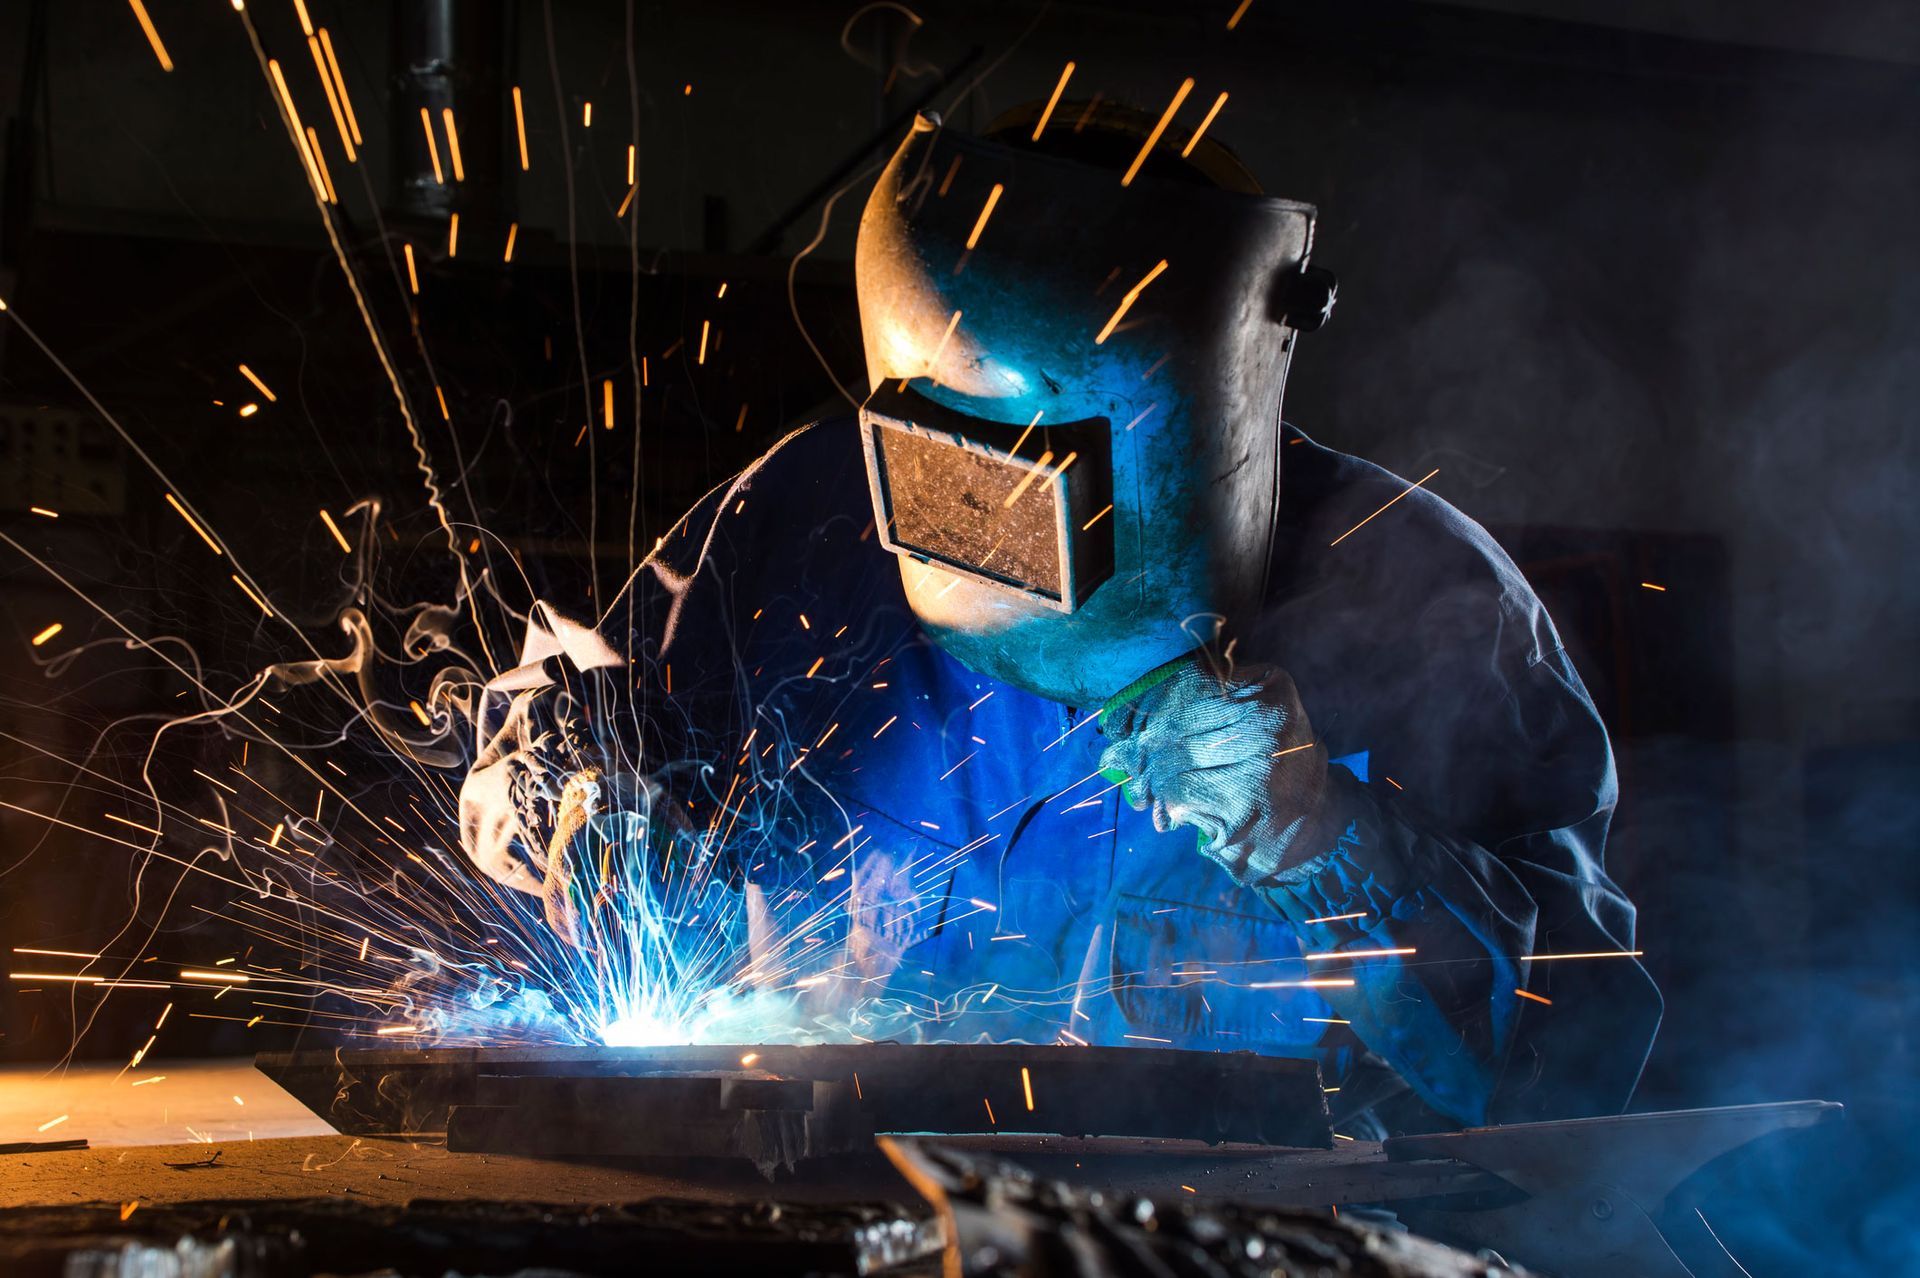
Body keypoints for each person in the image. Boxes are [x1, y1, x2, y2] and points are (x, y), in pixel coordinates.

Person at [458, 105, 1661, 1135]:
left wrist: (1329, 839)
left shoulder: (1420, 600)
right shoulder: (799, 517)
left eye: (1055, 458)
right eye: (956, 454)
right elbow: (557, 717)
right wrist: (574, 790)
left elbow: (1581, 1060)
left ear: (1201, 378)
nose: (1002, 508)